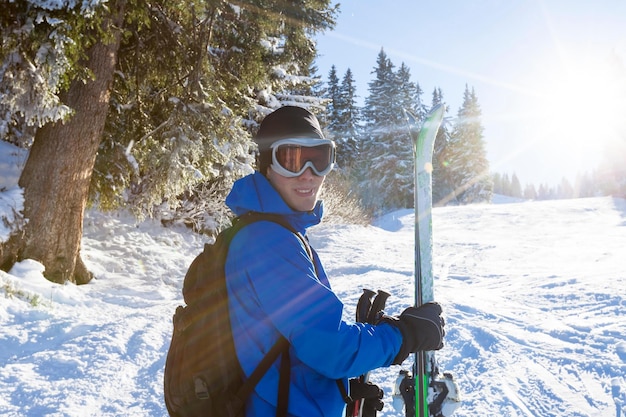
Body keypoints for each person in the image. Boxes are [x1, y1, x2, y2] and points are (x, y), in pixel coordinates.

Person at [224, 106, 445, 417]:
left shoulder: (274, 232)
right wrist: (404, 335)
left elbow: (286, 346)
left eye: (320, 159)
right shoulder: (267, 240)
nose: (308, 174)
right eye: (291, 159)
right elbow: (330, 349)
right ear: (266, 166)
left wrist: (335, 389)